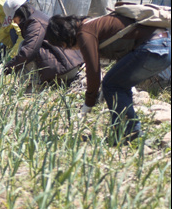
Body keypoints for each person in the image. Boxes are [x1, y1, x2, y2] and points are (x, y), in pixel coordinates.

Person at [45, 13, 171, 145]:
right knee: (118, 85)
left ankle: (126, 134)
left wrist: (88, 103)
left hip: (152, 48)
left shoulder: (84, 33)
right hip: (165, 47)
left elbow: (93, 70)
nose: (68, 49)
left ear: (65, 38)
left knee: (112, 85)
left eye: (64, 46)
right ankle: (130, 133)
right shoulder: (95, 23)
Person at [2, 0, 84, 86]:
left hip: (65, 69)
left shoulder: (35, 22)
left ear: (19, 12)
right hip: (67, 66)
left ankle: (31, 87)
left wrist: (8, 68)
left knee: (24, 48)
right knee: (26, 46)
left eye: (13, 18)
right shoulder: (35, 16)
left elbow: (28, 51)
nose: (13, 21)